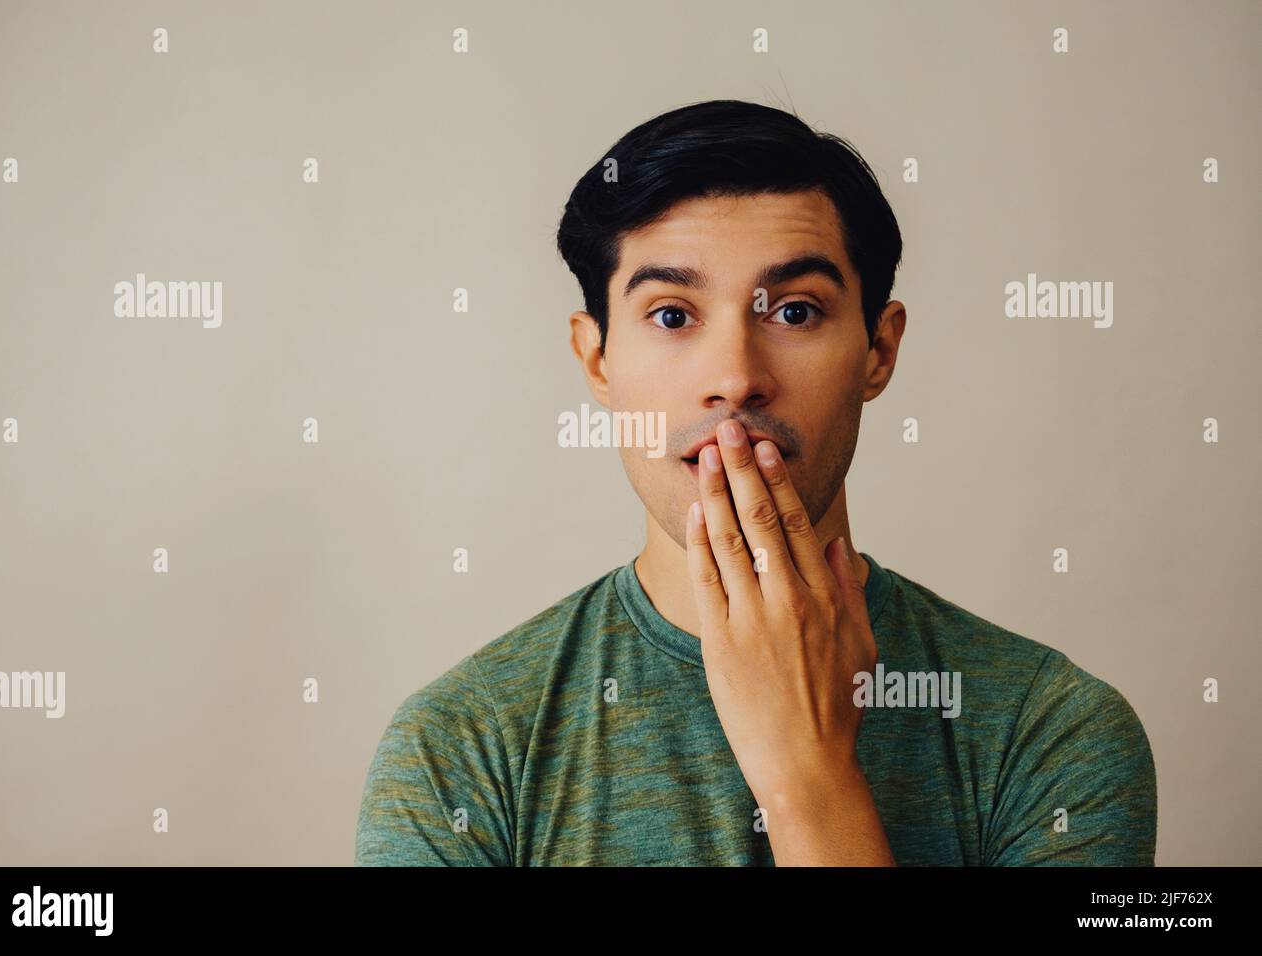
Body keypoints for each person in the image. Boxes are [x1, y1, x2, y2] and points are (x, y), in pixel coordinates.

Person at [354, 99, 1157, 866]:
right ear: (598, 359)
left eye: (796, 312)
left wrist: (807, 775)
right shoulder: (459, 746)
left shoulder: (1052, 731)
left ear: (879, 350)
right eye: (672, 315)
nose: (736, 379)